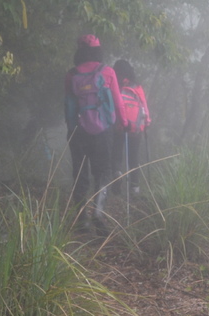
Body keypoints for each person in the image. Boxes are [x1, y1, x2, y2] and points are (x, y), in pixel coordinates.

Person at [64, 34, 127, 230]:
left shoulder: (71, 75)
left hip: (78, 131)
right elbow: (118, 101)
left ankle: (81, 219)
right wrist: (123, 123)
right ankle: (98, 215)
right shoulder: (107, 72)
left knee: (80, 173)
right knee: (103, 171)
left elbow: (68, 106)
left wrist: (71, 127)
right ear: (98, 50)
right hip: (103, 131)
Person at [111, 59, 151, 195]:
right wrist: (147, 122)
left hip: (119, 126)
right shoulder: (137, 87)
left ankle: (117, 173)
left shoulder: (116, 85)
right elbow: (144, 106)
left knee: (116, 155)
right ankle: (135, 189)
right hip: (136, 129)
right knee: (133, 158)